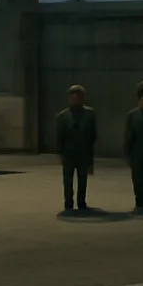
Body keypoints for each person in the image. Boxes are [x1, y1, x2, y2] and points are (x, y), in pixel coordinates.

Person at [55, 84, 97, 212]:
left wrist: (90, 155)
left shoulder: (90, 114)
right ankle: (68, 202)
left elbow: (92, 135)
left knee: (83, 179)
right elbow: (59, 136)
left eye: (79, 97)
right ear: (69, 98)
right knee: (67, 180)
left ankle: (81, 202)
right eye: (73, 97)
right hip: (68, 153)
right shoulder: (62, 116)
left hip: (84, 152)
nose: (76, 100)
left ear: (83, 98)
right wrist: (60, 153)